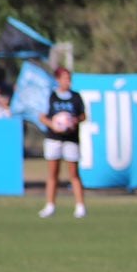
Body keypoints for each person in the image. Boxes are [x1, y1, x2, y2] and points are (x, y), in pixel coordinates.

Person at [39, 64, 88, 219]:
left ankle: (80, 206)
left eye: (69, 78)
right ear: (58, 79)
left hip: (71, 139)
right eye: (65, 78)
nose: (68, 81)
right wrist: (53, 125)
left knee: (74, 173)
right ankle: (50, 205)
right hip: (54, 139)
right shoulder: (52, 96)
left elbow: (83, 116)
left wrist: (74, 121)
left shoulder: (76, 97)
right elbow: (42, 116)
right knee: (53, 173)